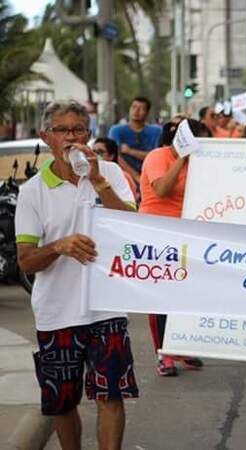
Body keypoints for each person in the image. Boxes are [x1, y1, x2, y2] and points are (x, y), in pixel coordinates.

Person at [16, 100, 138, 449]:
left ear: (89, 134)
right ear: (46, 137)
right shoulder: (32, 192)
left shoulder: (110, 174)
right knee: (62, 402)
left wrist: (98, 180)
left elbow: (132, 227)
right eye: (62, 130)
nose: (71, 137)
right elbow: (26, 261)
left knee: (110, 395)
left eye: (78, 130)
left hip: (108, 308)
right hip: (57, 314)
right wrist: (58, 247)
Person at [140, 118, 212, 376]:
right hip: (158, 234)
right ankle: (164, 354)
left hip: (188, 234)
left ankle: (181, 347)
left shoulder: (201, 163)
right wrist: (181, 158)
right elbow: (161, 190)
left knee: (186, 295)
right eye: (201, 140)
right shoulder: (158, 157)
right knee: (161, 297)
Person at [108, 96, 162, 183]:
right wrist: (136, 176)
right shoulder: (116, 130)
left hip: (151, 177)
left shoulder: (156, 131)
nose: (136, 111)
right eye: (134, 107)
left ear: (147, 112)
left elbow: (155, 156)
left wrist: (130, 151)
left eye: (141, 108)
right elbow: (115, 156)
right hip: (123, 177)